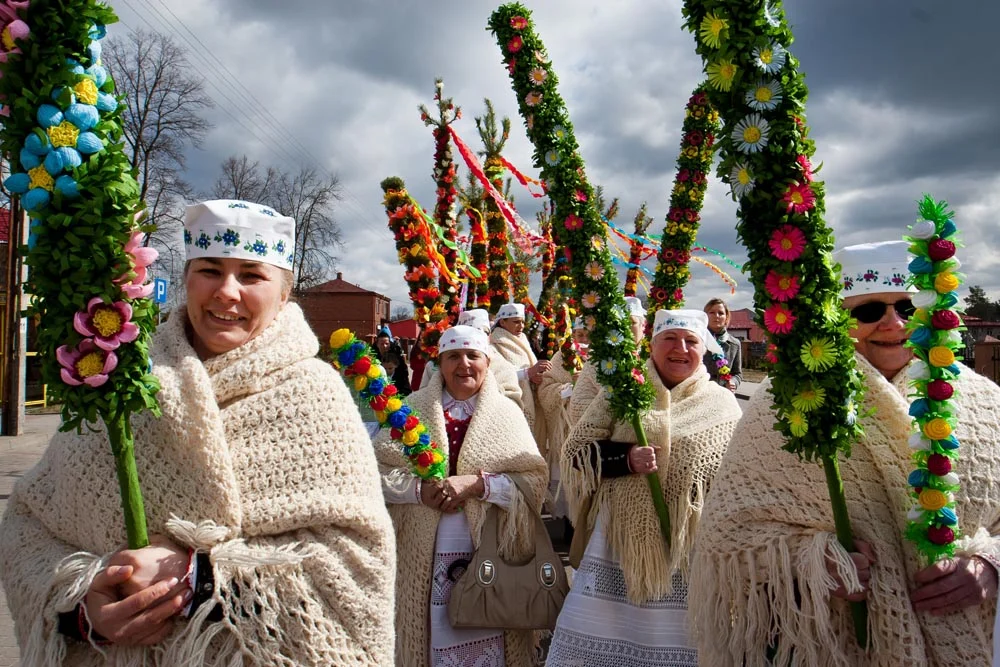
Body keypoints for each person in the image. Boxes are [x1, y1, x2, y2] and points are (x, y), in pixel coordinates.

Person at [0, 200, 396, 666]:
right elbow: (29, 521)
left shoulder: (314, 397)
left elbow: (355, 565)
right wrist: (83, 607)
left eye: (251, 275)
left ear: (284, 293)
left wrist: (197, 579)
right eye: (210, 270)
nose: (227, 292)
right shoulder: (123, 387)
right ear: (186, 279)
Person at [689, 240, 1000, 665]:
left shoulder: (985, 401)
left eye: (908, 308)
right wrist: (813, 564)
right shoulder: (786, 402)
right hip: (838, 647)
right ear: (838, 319)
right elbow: (728, 535)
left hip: (973, 639)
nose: (893, 324)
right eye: (870, 311)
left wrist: (989, 565)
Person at [545, 309, 742, 666]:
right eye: (669, 339)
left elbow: (738, 478)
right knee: (608, 641)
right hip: (619, 546)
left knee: (681, 643)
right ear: (652, 346)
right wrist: (625, 459)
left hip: (689, 551)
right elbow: (576, 452)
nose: (680, 348)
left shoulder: (723, 404)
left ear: (704, 349)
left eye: (691, 341)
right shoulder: (622, 394)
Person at [375, 325, 548, 666]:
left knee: (489, 636)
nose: (463, 364)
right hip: (421, 550)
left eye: (473, 356)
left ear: (487, 362)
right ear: (440, 363)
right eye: (453, 356)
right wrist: (417, 491)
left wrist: (476, 485)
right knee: (426, 633)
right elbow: (376, 470)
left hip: (488, 551)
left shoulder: (506, 413)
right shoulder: (410, 408)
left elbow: (533, 480)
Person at [537, 317, 589, 521]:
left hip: (592, 427)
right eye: (580, 335)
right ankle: (569, 522)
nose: (584, 339)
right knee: (569, 482)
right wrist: (568, 389)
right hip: (566, 430)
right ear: (573, 335)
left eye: (588, 335)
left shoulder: (603, 356)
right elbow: (545, 389)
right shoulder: (561, 358)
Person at [567, 296, 645, 427]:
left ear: (643, 326)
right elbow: (578, 406)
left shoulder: (653, 356)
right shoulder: (596, 360)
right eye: (619, 322)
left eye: (631, 322)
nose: (625, 328)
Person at [489, 302, 550, 435]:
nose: (521, 326)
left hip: (532, 400)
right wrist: (528, 372)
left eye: (522, 322)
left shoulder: (523, 340)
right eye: (516, 322)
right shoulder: (494, 345)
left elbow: (528, 369)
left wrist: (535, 375)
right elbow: (497, 376)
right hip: (511, 406)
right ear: (503, 323)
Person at [703, 297, 743, 391]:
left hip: (724, 395)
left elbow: (737, 373)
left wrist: (733, 382)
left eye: (721, 313)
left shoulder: (734, 344)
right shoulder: (697, 340)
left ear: (726, 318)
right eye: (712, 312)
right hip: (700, 393)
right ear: (705, 316)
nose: (716, 316)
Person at [376, 326, 411, 395]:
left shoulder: (398, 359)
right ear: (377, 344)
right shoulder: (374, 359)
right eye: (382, 344)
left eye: (387, 343)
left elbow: (404, 381)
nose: (385, 346)